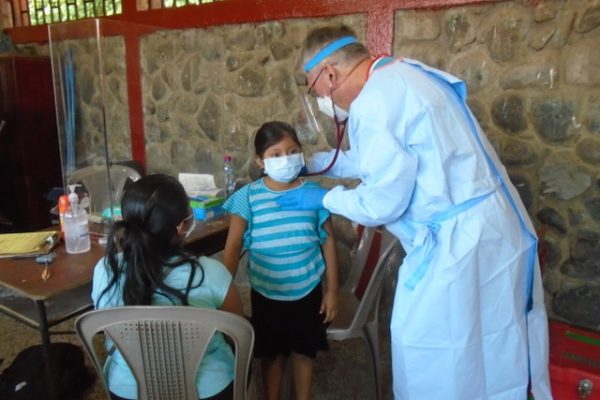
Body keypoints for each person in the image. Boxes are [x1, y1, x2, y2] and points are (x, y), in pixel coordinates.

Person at [277, 26, 552, 399]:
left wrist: (323, 199)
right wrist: (314, 163)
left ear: (330, 73)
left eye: (316, 90)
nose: (322, 101)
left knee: (433, 353)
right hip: (485, 232)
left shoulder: (375, 102)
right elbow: (381, 158)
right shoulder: (402, 75)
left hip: (461, 247)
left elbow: (380, 202)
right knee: (488, 348)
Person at [92, 174, 243, 400]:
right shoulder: (211, 273)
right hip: (209, 391)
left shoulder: (105, 270)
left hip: (129, 391)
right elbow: (236, 329)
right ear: (182, 226)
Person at [222, 121, 339, 400]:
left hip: (308, 288)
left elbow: (329, 241)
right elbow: (232, 248)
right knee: (271, 354)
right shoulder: (247, 198)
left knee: (303, 351)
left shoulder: (314, 195)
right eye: (276, 154)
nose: (285, 159)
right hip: (266, 291)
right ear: (260, 161)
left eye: (292, 151)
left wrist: (333, 291)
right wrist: (223, 293)